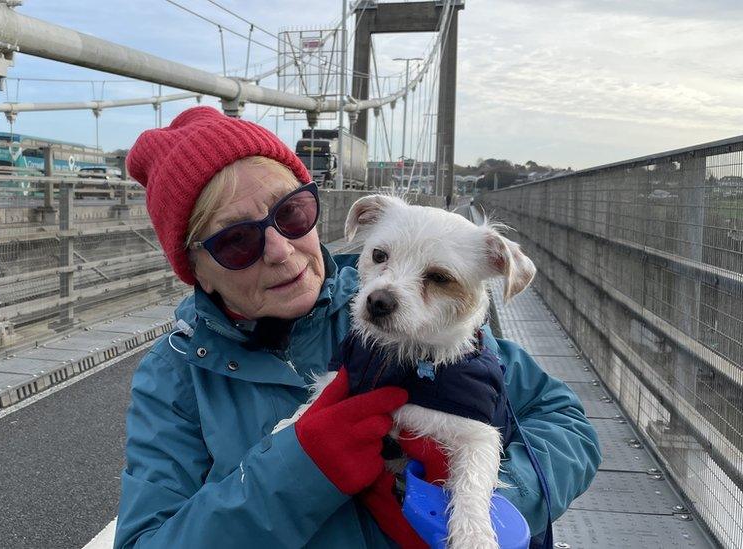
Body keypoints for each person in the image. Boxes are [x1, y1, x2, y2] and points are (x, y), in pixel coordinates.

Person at [114, 106, 600, 548]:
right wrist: (295, 473)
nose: (281, 250)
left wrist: (485, 507)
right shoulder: (176, 377)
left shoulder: (429, 328)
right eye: (237, 240)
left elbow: (566, 423)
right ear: (194, 268)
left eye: (292, 212)